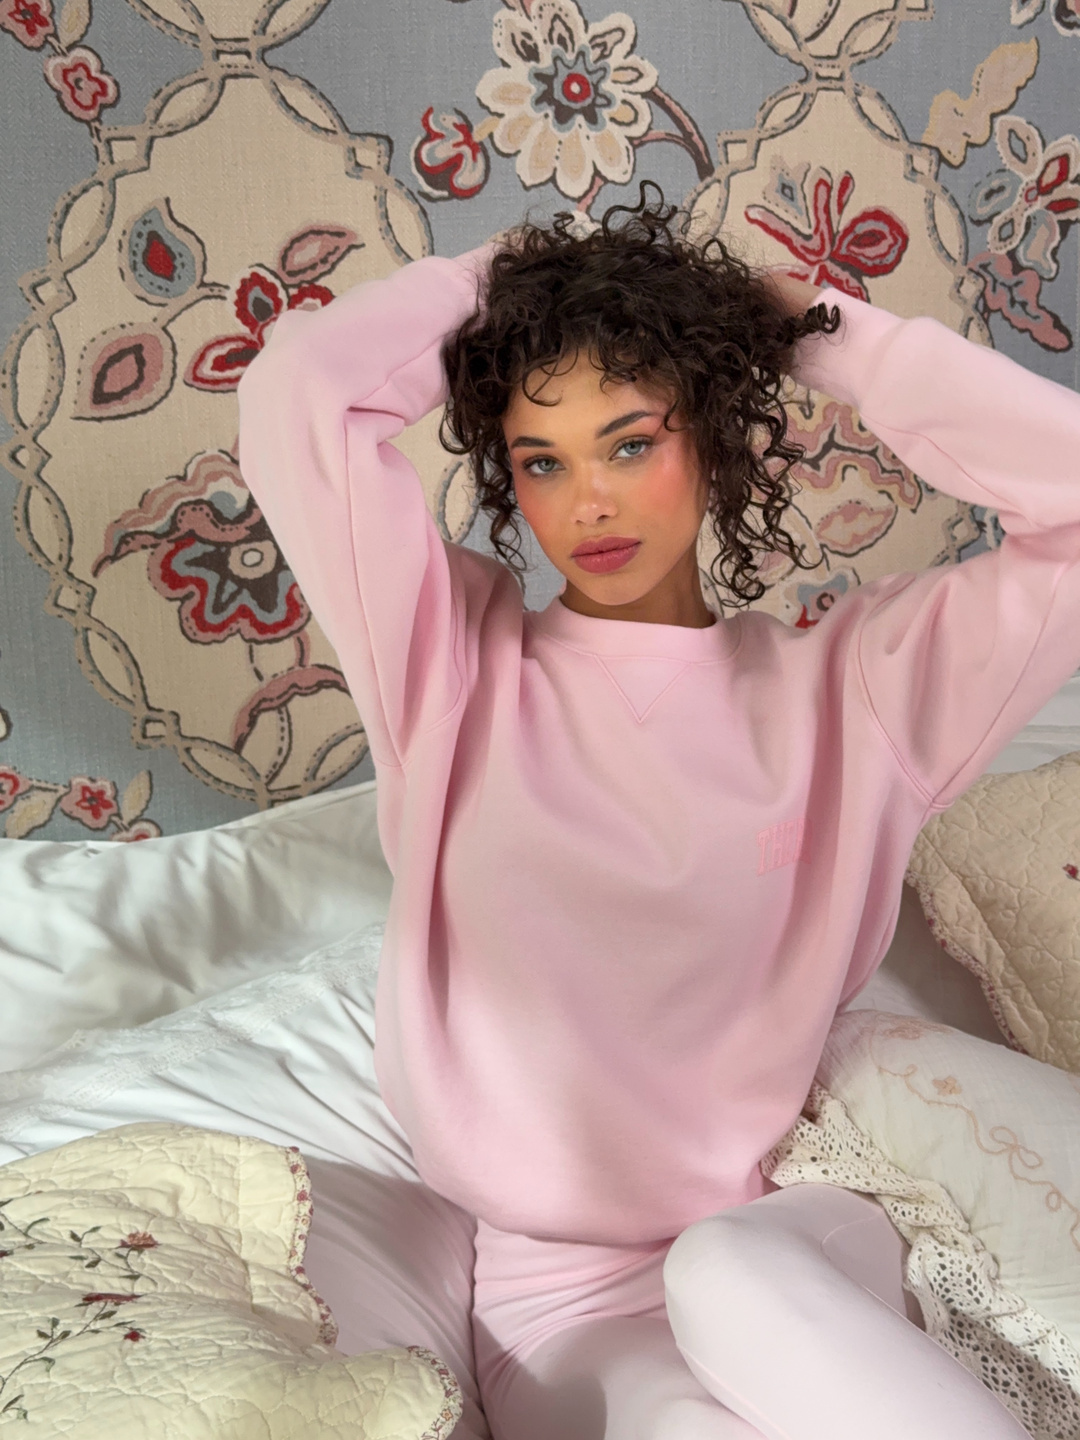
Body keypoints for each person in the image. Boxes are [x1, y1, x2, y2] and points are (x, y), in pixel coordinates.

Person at [237, 180, 1080, 1438]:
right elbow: (298, 397)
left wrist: (814, 330)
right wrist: (506, 276)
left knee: (729, 1271)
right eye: (543, 461)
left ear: (715, 438)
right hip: (560, 1305)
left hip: (793, 1238)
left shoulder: (854, 695)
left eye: (630, 443)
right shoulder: (451, 671)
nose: (588, 501)